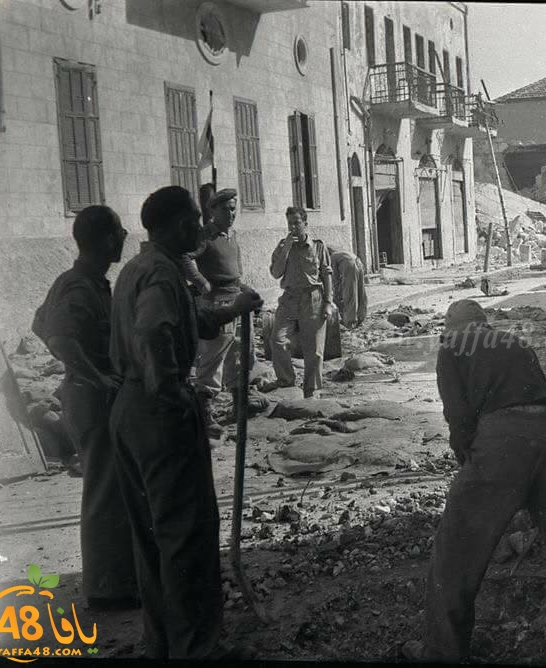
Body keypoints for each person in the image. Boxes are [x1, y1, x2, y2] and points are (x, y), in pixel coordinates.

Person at [109, 185, 262, 659]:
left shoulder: (137, 268)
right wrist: (172, 389)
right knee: (186, 536)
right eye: (195, 219)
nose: (201, 227)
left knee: (153, 537)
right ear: (178, 225)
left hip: (129, 409)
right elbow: (156, 329)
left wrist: (234, 308)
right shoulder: (160, 273)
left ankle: (164, 644)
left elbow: (188, 320)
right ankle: (197, 649)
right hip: (159, 414)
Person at [419, 299, 546, 662]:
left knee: (455, 549)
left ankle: (442, 652)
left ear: (452, 324)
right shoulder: (517, 342)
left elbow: (459, 417)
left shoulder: (452, 345)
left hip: (502, 443)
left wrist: (468, 464)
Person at [32, 205, 138, 610]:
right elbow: (58, 337)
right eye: (118, 231)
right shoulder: (80, 286)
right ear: (106, 239)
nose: (124, 236)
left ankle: (114, 583)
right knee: (104, 490)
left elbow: (40, 324)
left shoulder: (83, 281)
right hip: (92, 398)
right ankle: (107, 590)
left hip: (86, 393)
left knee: (109, 489)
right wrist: (97, 376)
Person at [181, 187, 254, 436]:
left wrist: (246, 290)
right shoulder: (205, 236)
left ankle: (239, 405)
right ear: (212, 211)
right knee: (214, 359)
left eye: (234, 208)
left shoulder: (231, 236)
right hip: (217, 304)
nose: (231, 213)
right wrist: (202, 283)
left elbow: (235, 272)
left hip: (237, 299)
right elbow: (185, 257)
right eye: (225, 209)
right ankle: (205, 413)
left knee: (240, 355)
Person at [269, 206, 336, 397]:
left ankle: (311, 390)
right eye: (289, 223)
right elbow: (275, 273)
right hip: (289, 299)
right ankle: (287, 383)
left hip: (313, 298)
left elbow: (326, 275)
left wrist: (328, 302)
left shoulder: (318, 247)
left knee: (314, 350)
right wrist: (286, 249)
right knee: (277, 340)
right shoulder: (283, 246)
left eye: (296, 223)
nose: (293, 227)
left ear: (305, 224)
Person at [328, 246, 368, 328]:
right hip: (358, 262)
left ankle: (350, 322)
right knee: (360, 292)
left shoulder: (331, 258)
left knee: (350, 293)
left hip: (349, 265)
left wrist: (336, 294)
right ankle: (361, 317)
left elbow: (335, 279)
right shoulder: (341, 252)